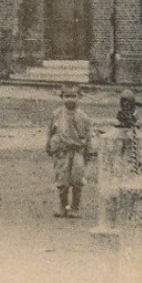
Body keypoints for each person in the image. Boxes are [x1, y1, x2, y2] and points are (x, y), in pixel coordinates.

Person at [45, 85, 94, 218]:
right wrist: (48, 145)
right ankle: (63, 206)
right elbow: (51, 131)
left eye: (73, 96)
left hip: (78, 151)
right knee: (62, 180)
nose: (70, 99)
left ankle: (75, 208)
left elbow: (89, 136)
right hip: (62, 151)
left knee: (77, 180)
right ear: (62, 97)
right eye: (67, 96)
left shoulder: (83, 117)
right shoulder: (57, 114)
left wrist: (89, 152)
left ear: (79, 97)